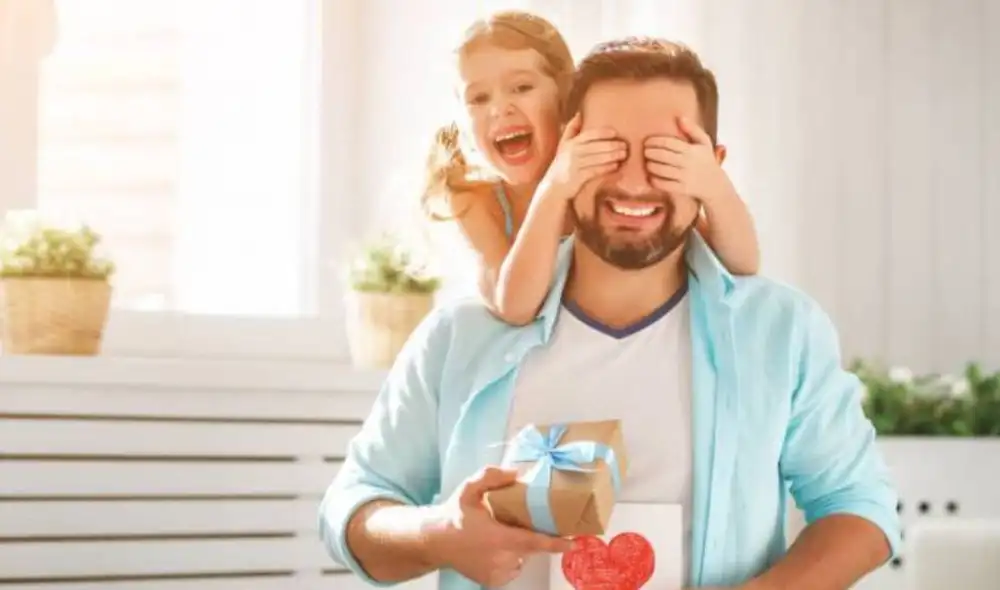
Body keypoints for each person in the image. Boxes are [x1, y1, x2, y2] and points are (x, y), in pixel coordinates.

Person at [319, 37, 901, 590]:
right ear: (562, 158)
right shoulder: (459, 337)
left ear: (713, 164)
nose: (632, 180)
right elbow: (354, 505)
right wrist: (438, 534)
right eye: (605, 151)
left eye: (667, 155)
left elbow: (860, 510)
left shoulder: (780, 333)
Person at [422, 11, 760, 325]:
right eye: (478, 98)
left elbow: (742, 264)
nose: (500, 109)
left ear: (565, 100)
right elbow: (514, 306)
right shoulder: (472, 196)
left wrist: (714, 187)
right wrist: (554, 190)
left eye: (522, 87)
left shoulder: (600, 174)